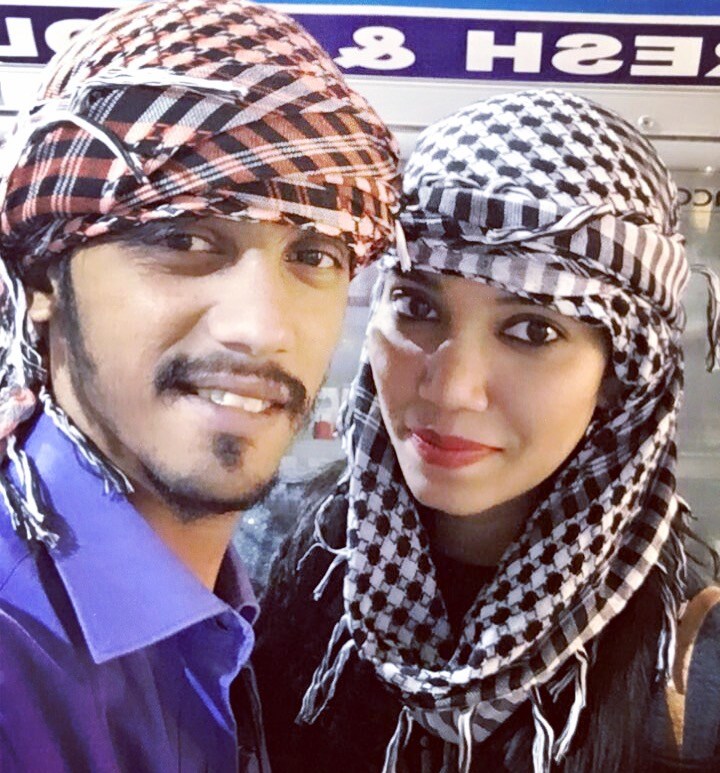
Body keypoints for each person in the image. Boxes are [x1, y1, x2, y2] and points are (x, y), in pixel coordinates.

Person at [254, 89, 720, 772]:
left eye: (532, 330)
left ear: (620, 374)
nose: (450, 388)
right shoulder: (266, 560)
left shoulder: (692, 651)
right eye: (417, 306)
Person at [0, 0, 399, 770]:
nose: (263, 327)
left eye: (313, 255)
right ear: (45, 275)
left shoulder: (237, 599)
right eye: (183, 238)